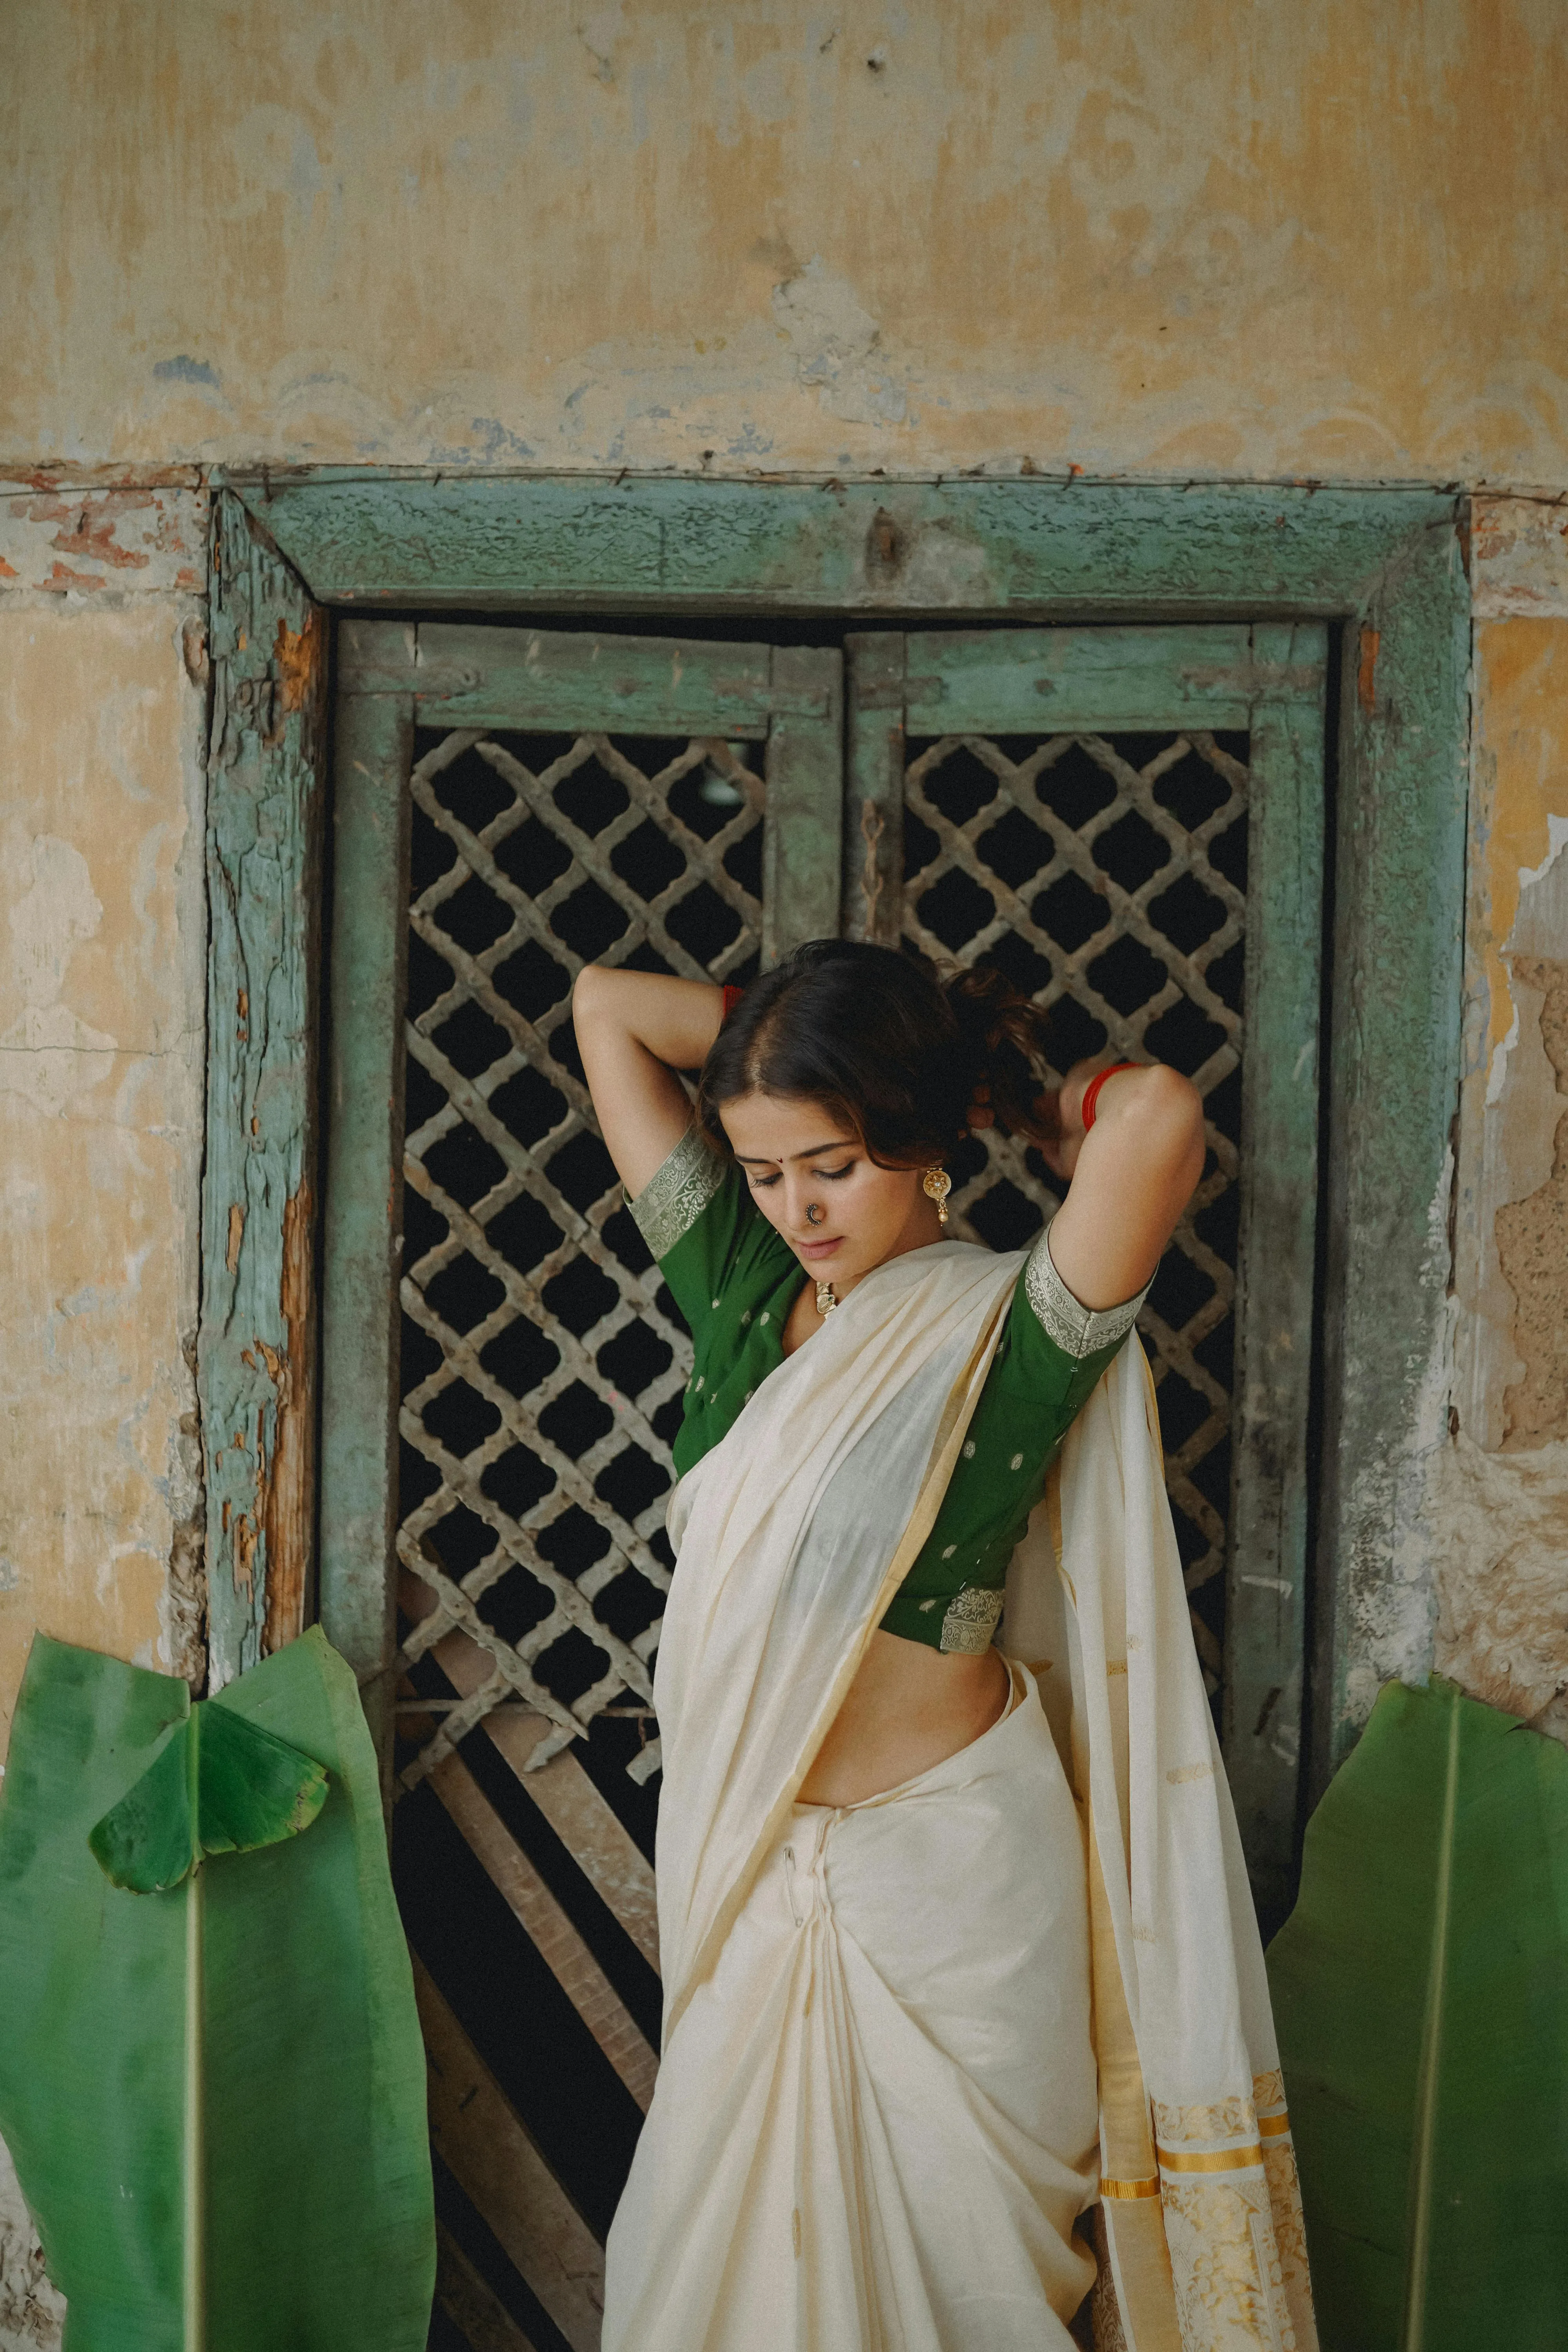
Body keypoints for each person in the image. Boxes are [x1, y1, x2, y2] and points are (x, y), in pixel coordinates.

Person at [575, 940, 1317, 2352]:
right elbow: (608, 1008)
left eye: (836, 1163)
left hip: (952, 1903)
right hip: (751, 1869)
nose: (797, 1208)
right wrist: (797, 1068)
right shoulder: (740, 1291)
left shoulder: (1013, 1334)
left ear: (918, 1146)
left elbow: (1153, 1117)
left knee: (967, 2302)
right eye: (768, 1171)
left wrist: (993, 1090)